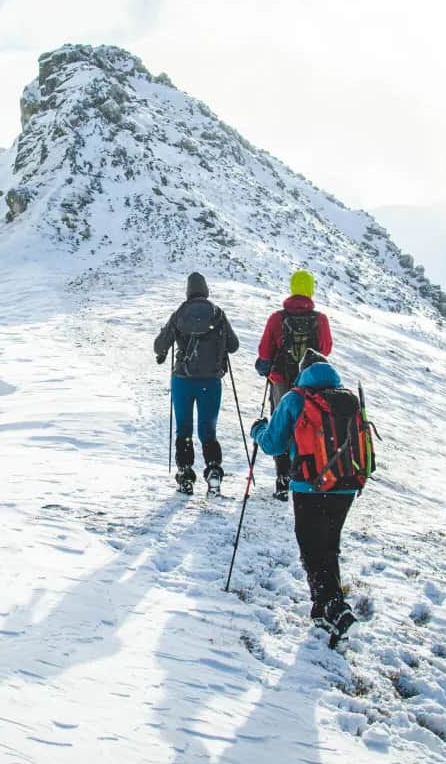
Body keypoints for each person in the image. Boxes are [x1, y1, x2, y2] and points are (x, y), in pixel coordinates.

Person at [250, 357, 360, 643]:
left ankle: (335, 608)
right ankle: (325, 609)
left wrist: (257, 430)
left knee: (311, 548)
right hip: (346, 484)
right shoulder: (346, 399)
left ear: (302, 372)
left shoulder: (296, 398)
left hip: (310, 485)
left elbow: (273, 443)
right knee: (328, 545)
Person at [154, 272, 240, 495]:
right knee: (208, 430)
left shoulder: (180, 313)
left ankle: (185, 474)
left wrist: (166, 349)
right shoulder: (218, 314)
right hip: (210, 382)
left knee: (184, 429)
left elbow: (159, 345)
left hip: (183, 380)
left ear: (188, 292)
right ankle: (213, 470)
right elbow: (233, 345)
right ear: (206, 290)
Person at [254, 270, 333, 499]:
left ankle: (283, 477)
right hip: (312, 383)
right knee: (309, 423)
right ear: (310, 290)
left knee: (282, 425)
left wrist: (266, 367)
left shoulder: (277, 318)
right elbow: (325, 349)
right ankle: (307, 472)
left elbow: (264, 352)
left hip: (282, 380)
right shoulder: (320, 320)